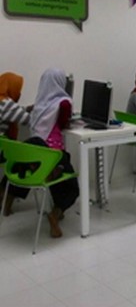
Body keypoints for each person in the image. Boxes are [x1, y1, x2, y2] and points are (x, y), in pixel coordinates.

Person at [29, 68, 79, 238]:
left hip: (35, 154)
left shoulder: (38, 103)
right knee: (72, 187)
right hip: (53, 155)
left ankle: (7, 201)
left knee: (62, 169)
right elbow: (64, 124)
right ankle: (55, 214)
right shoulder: (64, 103)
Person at [0, 72, 32, 215]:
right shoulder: (5, 104)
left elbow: (15, 111)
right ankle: (5, 196)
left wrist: (27, 108)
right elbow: (29, 120)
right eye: (18, 88)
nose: (19, 93)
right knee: (26, 160)